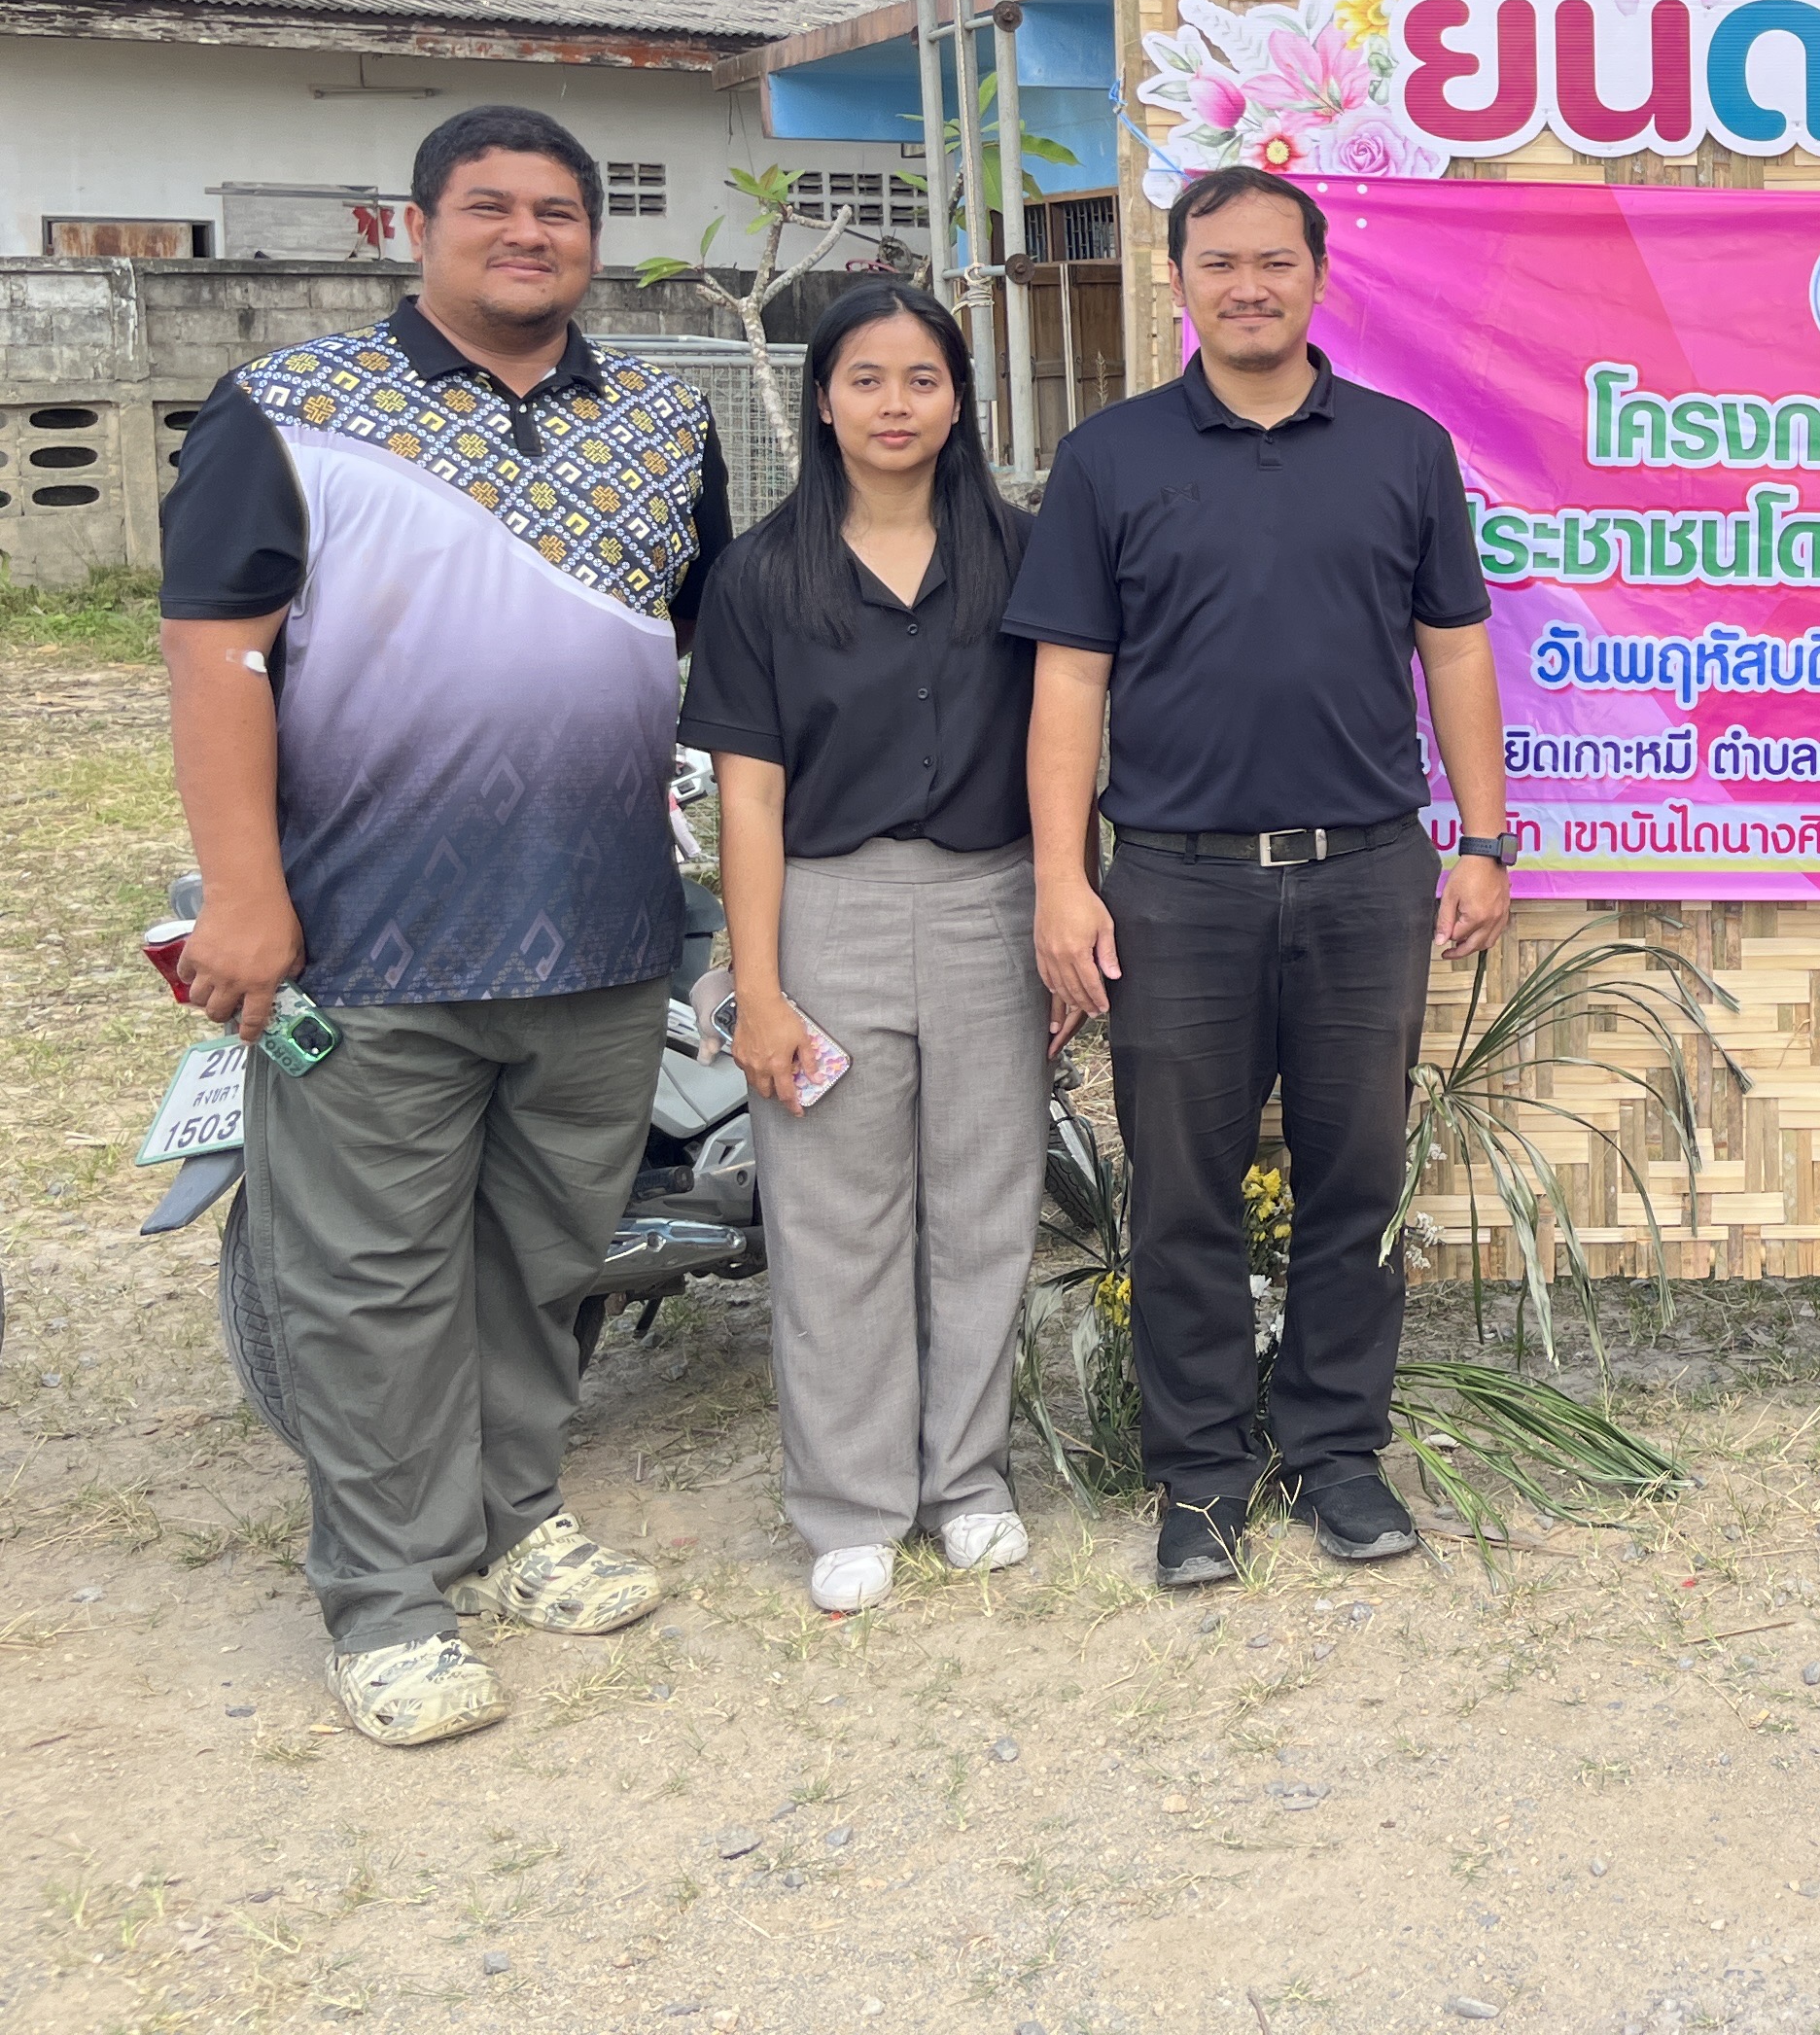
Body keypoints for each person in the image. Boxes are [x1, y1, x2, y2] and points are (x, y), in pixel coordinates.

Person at [158, 104, 726, 1747]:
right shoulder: (295, 409)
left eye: (560, 212)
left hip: (605, 935)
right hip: (367, 940)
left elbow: (724, 649)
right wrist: (248, 893)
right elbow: (215, 655)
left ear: (593, 242)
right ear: (415, 226)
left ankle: (513, 1519)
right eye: (492, 208)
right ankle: (388, 1595)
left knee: (545, 1258)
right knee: (366, 1276)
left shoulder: (664, 420)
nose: (530, 234)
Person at [1007, 165, 1518, 1591]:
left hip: (1366, 876)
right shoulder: (1109, 460)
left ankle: (1339, 1457)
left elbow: (1457, 648)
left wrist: (1481, 835)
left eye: (1274, 262)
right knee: (1184, 1191)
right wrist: (1066, 877)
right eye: (1219, 262)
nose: (1249, 285)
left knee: (1356, 1176)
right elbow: (1068, 681)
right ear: (1178, 281)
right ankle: (1201, 1475)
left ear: (1317, 273)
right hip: (1175, 883)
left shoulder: (1404, 450)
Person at [679, 281, 1049, 1615]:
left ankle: (968, 1482)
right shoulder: (761, 577)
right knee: (835, 1217)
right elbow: (751, 797)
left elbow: (1069, 745)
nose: (896, 407)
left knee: (985, 1205)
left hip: (992, 903)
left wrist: (1066, 910)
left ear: (960, 398)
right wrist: (759, 987)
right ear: (821, 396)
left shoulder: (1023, 555)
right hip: (825, 906)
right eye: (866, 380)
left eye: (923, 380)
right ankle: (848, 1503)